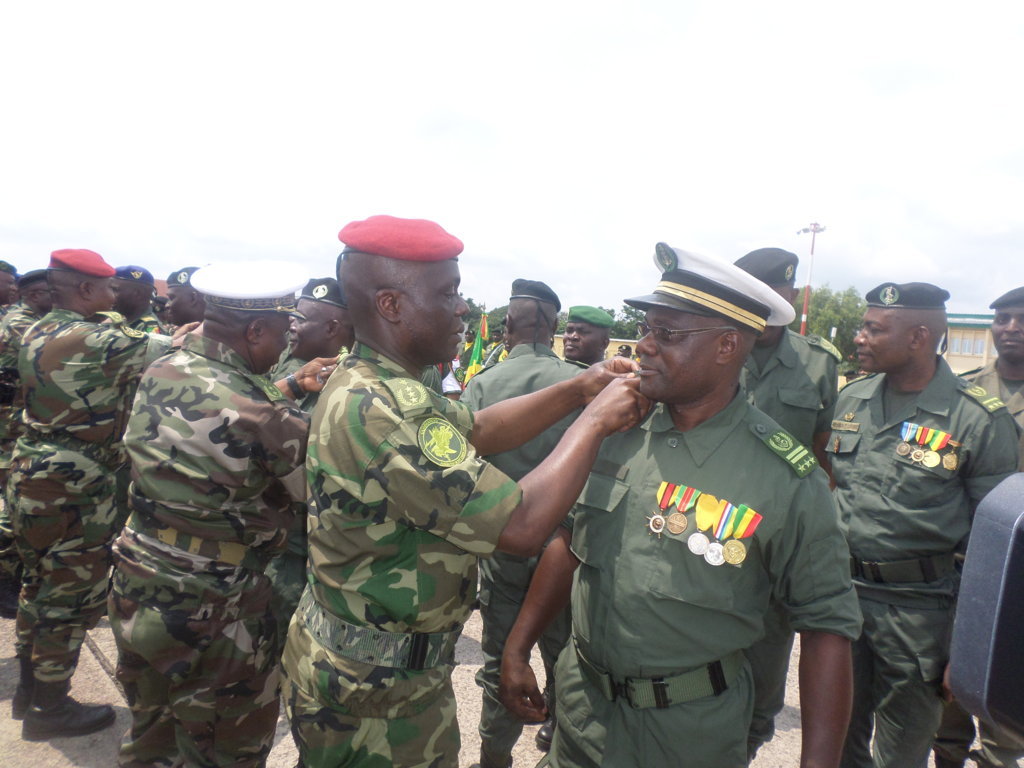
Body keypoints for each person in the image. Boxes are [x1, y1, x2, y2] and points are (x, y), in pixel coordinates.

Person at [281, 215, 648, 768]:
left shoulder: (383, 381)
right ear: (391, 305)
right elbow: (521, 526)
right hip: (374, 697)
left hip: (380, 674)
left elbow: (478, 429)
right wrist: (594, 422)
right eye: (448, 293)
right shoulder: (380, 409)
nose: (463, 308)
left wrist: (579, 387)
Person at [500, 243, 863, 768]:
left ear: (727, 346)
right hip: (582, 714)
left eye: (667, 335)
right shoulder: (618, 429)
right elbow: (569, 543)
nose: (644, 346)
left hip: (687, 735)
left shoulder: (786, 478)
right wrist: (518, 645)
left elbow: (827, 626)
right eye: (646, 329)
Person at [107, 261, 337, 767]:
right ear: (254, 330)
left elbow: (217, 408)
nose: (285, 345)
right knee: (227, 751)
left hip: (137, 579)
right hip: (215, 605)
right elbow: (312, 486)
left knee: (151, 737)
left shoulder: (165, 365)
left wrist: (292, 387)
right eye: (282, 332)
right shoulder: (261, 415)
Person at [827, 282, 1020, 768]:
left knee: (902, 752)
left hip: (922, 614)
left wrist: (967, 645)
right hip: (843, 600)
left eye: (874, 329)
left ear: (917, 336)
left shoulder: (977, 419)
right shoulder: (852, 400)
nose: (860, 337)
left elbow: (992, 544)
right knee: (837, 742)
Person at [8, 248, 172, 741]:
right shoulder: (94, 337)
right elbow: (180, 350)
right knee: (71, 594)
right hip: (76, 482)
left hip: (33, 467)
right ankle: (50, 709)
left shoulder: (38, 327)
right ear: (85, 290)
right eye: (108, 288)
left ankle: (30, 691)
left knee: (38, 584)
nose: (114, 296)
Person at [462, 279, 581, 768]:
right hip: (567, 549)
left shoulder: (483, 384)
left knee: (500, 662)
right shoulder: (578, 381)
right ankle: (557, 751)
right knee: (567, 664)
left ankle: (494, 758)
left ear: (507, 326)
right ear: (554, 327)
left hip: (503, 543)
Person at [733, 246, 842, 758]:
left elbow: (825, 455)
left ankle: (749, 745)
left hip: (774, 546)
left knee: (763, 681)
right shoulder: (717, 345)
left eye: (786, 291)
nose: (778, 299)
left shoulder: (818, 363)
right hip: (703, 525)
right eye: (766, 289)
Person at [932, 286, 1024, 768]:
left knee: (1007, 688)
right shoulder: (965, 392)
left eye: (1021, 320)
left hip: (1020, 568)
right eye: (1003, 319)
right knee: (952, 682)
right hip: (964, 560)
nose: (1010, 329)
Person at [266, 276, 354, 654]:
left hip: (316, 558)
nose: (291, 326)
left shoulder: (353, 387)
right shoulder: (293, 369)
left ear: (333, 328)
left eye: (299, 319)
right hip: (278, 548)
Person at [0, 269, 52, 619]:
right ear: (35, 296)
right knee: (13, 504)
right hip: (10, 426)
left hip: (16, 422)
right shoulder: (23, 323)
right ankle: (4, 581)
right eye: (52, 292)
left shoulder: (28, 319)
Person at [113, 265, 166, 333]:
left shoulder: (149, 328)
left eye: (115, 290)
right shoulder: (123, 320)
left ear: (136, 293)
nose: (109, 295)